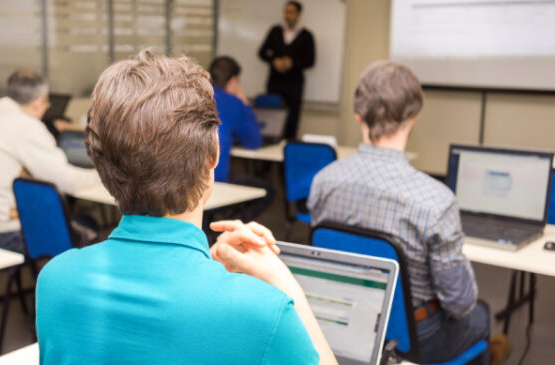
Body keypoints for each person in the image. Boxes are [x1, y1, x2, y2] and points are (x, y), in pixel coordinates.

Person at [35, 49, 337, 365]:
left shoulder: (56, 280)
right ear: (213, 153)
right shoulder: (263, 311)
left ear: (100, 163)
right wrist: (285, 284)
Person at [308, 61, 491, 364]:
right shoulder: (436, 200)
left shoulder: (323, 181)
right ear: (413, 117)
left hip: (344, 323)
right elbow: (459, 303)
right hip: (417, 338)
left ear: (358, 116)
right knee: (481, 314)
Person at [0, 70, 100, 254]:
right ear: (38, 102)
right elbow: (66, 181)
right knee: (87, 225)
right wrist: (100, 175)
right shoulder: (26, 125)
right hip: (4, 234)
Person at [209, 56, 273, 220]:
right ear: (233, 80)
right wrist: (244, 103)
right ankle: (224, 229)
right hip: (217, 180)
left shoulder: (194, 95)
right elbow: (254, 142)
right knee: (267, 191)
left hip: (186, 181)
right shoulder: (232, 102)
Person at [258, 1, 315, 140]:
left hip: (294, 85)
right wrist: (274, 60)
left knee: (291, 121)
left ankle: (285, 156)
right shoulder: (275, 31)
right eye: (286, 11)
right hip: (275, 82)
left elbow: (310, 61)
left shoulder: (306, 35)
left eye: (291, 12)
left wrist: (292, 63)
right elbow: (262, 52)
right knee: (272, 118)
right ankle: (267, 160)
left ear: (299, 14)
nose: (287, 15)